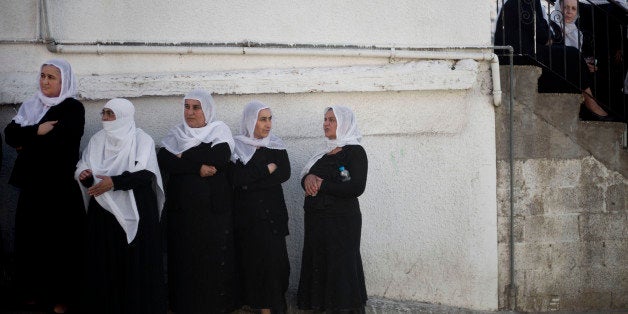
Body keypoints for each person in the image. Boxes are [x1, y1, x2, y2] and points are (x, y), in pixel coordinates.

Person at [3, 59, 85, 314]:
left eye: (52, 77)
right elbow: (10, 135)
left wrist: (26, 144)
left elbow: (60, 144)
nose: (45, 81)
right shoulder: (31, 106)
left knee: (58, 243)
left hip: (58, 188)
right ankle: (33, 293)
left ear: (64, 82)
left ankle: (62, 299)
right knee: (30, 240)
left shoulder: (72, 108)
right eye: (42, 76)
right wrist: (36, 131)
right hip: (32, 187)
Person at [75, 98, 166, 314]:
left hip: (137, 207)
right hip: (104, 212)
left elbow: (145, 175)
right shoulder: (97, 140)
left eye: (110, 114)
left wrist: (115, 182)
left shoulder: (141, 140)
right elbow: (85, 166)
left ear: (124, 116)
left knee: (136, 266)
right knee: (106, 264)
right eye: (104, 113)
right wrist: (86, 176)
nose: (105, 119)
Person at [158, 89, 236, 313]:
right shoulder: (176, 134)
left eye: (196, 107)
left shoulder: (219, 131)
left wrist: (183, 157)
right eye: (187, 107)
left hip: (213, 213)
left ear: (207, 110)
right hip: (182, 212)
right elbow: (165, 159)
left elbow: (220, 158)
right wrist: (198, 167)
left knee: (212, 261)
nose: (190, 113)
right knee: (184, 261)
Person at [297, 106, 368, 313]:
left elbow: (356, 187)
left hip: (342, 223)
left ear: (345, 124)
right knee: (321, 267)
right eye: (325, 119)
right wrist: (307, 179)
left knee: (341, 270)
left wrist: (321, 184)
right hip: (317, 223)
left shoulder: (355, 151)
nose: (326, 124)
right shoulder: (323, 153)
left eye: (332, 120)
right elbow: (308, 177)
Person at [494, 0, 613, 121]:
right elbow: (543, 35)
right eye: (566, 7)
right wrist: (546, 38)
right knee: (572, 55)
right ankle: (591, 104)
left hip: (525, 52)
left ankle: (589, 106)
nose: (569, 11)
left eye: (573, 9)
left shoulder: (531, 2)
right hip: (518, 55)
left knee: (573, 58)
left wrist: (547, 37)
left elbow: (544, 31)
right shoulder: (524, 2)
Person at [231, 101, 291, 314]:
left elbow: (284, 174)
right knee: (253, 266)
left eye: (270, 118)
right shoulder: (236, 146)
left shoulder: (275, 144)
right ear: (250, 121)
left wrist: (251, 182)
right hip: (248, 219)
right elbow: (237, 179)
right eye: (262, 119)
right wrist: (267, 169)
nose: (268, 124)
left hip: (273, 217)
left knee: (277, 267)